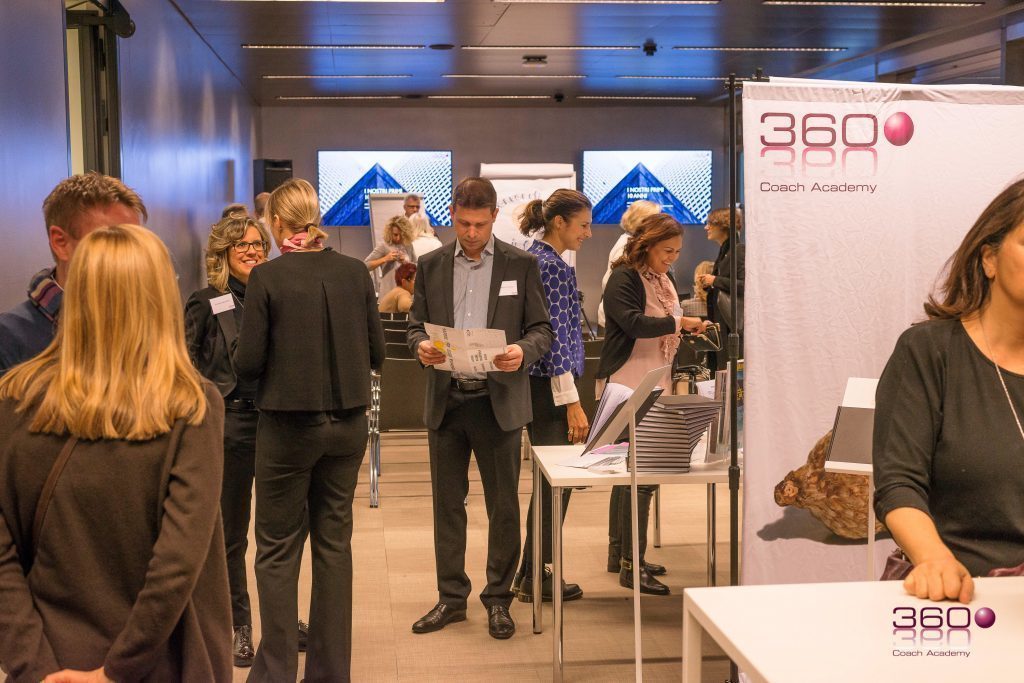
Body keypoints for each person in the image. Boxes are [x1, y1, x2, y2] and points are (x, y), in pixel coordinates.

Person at [0, 224, 231, 682]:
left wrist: (33, 666)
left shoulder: (15, 399)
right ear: (161, 297)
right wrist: (114, 672)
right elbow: (176, 563)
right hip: (162, 659)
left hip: (50, 655)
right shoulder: (189, 405)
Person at [234, 178, 384, 682]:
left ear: (277, 223)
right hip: (348, 427)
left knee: (276, 550)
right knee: (334, 547)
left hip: (287, 429)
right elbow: (378, 354)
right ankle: (330, 673)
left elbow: (248, 363)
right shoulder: (355, 273)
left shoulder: (266, 278)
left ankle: (275, 673)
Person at [407, 177, 552, 640]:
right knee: (447, 506)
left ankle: (498, 599)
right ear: (452, 215)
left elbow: (541, 330)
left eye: (480, 225)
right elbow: (414, 326)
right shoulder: (430, 264)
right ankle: (451, 599)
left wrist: (522, 351)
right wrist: (420, 346)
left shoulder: (521, 264)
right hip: (446, 401)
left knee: (503, 507)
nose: (471, 233)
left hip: (498, 402)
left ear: (494, 217)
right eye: (464, 224)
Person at [874, 178, 1024, 604]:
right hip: (962, 594)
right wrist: (934, 560)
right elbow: (899, 482)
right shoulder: (929, 351)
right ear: (989, 259)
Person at [598, 213, 708, 596]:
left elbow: (664, 325)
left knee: (634, 474)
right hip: (628, 380)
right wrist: (680, 324)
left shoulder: (664, 278)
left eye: (677, 252)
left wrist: (685, 328)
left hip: (656, 378)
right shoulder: (623, 277)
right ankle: (632, 564)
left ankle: (621, 555)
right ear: (646, 246)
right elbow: (633, 323)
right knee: (638, 475)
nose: (672, 258)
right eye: (666, 251)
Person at [184, 212, 272, 668]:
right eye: (243, 245)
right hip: (229, 426)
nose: (252, 251)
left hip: (276, 424)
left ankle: (280, 622)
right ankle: (240, 626)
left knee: (278, 535)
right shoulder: (206, 301)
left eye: (258, 244)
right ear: (223, 253)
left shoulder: (274, 294)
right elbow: (187, 367)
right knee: (232, 536)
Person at [510, 189, 592, 604]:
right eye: (583, 225)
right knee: (555, 483)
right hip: (551, 388)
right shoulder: (553, 267)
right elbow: (555, 338)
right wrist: (572, 401)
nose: (588, 233)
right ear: (559, 222)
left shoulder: (534, 258)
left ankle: (530, 574)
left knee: (548, 482)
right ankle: (538, 575)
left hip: (535, 384)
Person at [0, 172, 146, 375]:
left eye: (136, 243)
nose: (131, 257)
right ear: (61, 243)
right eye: (111, 241)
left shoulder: (145, 322)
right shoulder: (9, 338)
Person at [597, 200, 660, 331]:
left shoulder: (631, 242)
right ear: (642, 221)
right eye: (656, 220)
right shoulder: (626, 247)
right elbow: (616, 285)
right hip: (620, 320)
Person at [697, 207, 745, 368]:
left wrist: (715, 280)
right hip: (723, 323)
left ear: (723, 226)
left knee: (730, 368)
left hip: (730, 326)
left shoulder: (738, 251)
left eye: (710, 224)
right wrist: (709, 284)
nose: (706, 227)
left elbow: (744, 285)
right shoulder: (726, 252)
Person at [365, 215, 416, 293]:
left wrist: (406, 262)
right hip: (388, 291)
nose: (398, 238)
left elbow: (416, 266)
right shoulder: (384, 246)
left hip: (406, 292)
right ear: (389, 232)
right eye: (395, 234)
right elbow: (365, 265)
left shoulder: (408, 245)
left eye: (401, 235)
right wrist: (385, 259)